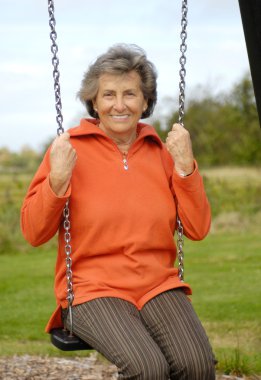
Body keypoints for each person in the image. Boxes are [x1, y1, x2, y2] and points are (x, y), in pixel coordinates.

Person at [21, 44, 216, 380]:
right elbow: (34, 232)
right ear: (94, 102)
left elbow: (197, 228)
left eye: (130, 94)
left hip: (157, 285)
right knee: (148, 369)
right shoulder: (68, 150)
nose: (120, 105)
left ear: (145, 101)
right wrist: (56, 181)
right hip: (91, 289)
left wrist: (185, 168)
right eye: (108, 94)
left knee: (196, 366)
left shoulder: (163, 152)